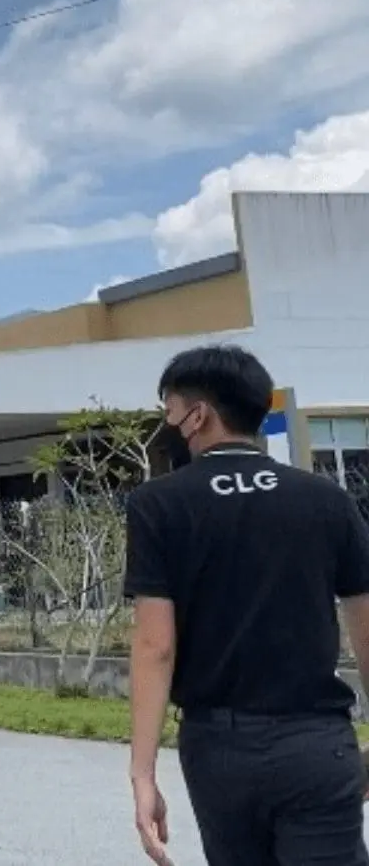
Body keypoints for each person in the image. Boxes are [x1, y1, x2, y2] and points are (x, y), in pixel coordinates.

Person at [125, 345, 369, 866]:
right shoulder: (328, 501)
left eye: (170, 411)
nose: (169, 424)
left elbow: (155, 646)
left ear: (199, 415)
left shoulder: (159, 505)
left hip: (219, 750)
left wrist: (143, 775)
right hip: (317, 743)